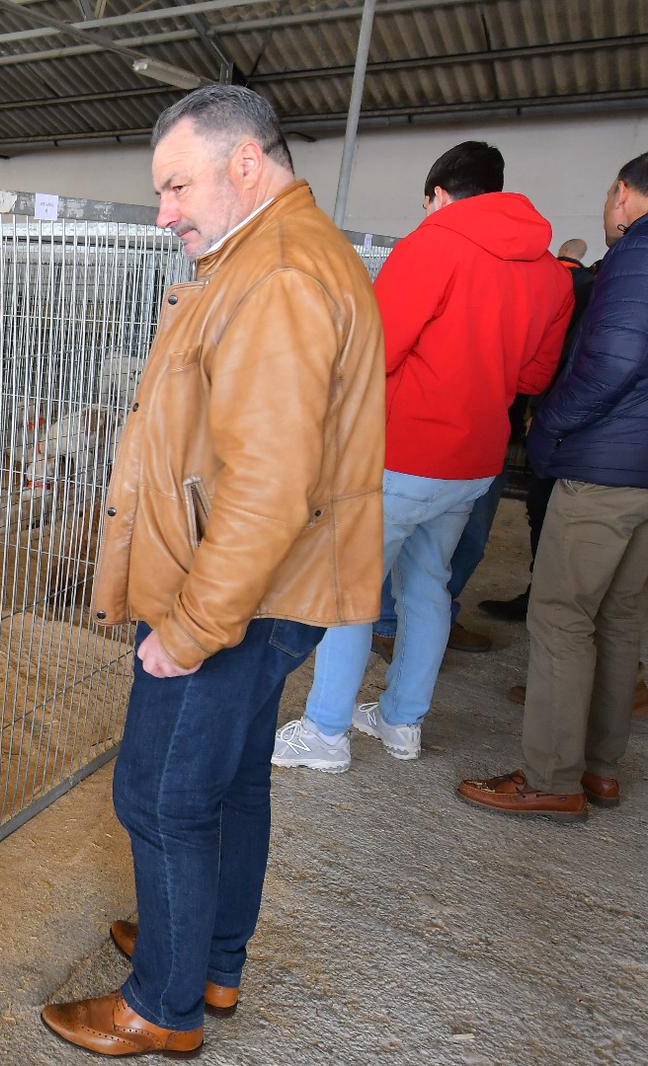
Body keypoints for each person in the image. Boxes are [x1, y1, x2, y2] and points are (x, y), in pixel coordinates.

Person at [38, 85, 385, 1058]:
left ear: (244, 164)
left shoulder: (274, 273)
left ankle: (162, 1002)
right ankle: (209, 955)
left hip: (235, 592)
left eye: (176, 184)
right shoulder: (280, 251)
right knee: (229, 784)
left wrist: (188, 628)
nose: (165, 212)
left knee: (157, 795)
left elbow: (267, 485)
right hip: (277, 586)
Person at [273, 141, 572, 774]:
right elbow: (537, 375)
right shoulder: (551, 274)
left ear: (438, 194)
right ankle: (402, 721)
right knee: (428, 585)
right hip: (475, 461)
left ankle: (326, 732)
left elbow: (375, 352)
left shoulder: (432, 245)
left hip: (404, 451)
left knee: (352, 590)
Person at [459, 153, 648, 819]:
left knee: (563, 617)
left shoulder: (634, 255)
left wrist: (552, 425)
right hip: (642, 478)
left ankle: (550, 777)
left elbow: (615, 361)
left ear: (624, 195)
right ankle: (599, 769)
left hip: (602, 471)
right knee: (620, 618)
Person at [480, 237, 598, 623]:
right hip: (532, 423)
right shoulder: (577, 282)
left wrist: (550, 417)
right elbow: (543, 369)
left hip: (572, 430)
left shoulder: (586, 283)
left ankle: (544, 604)